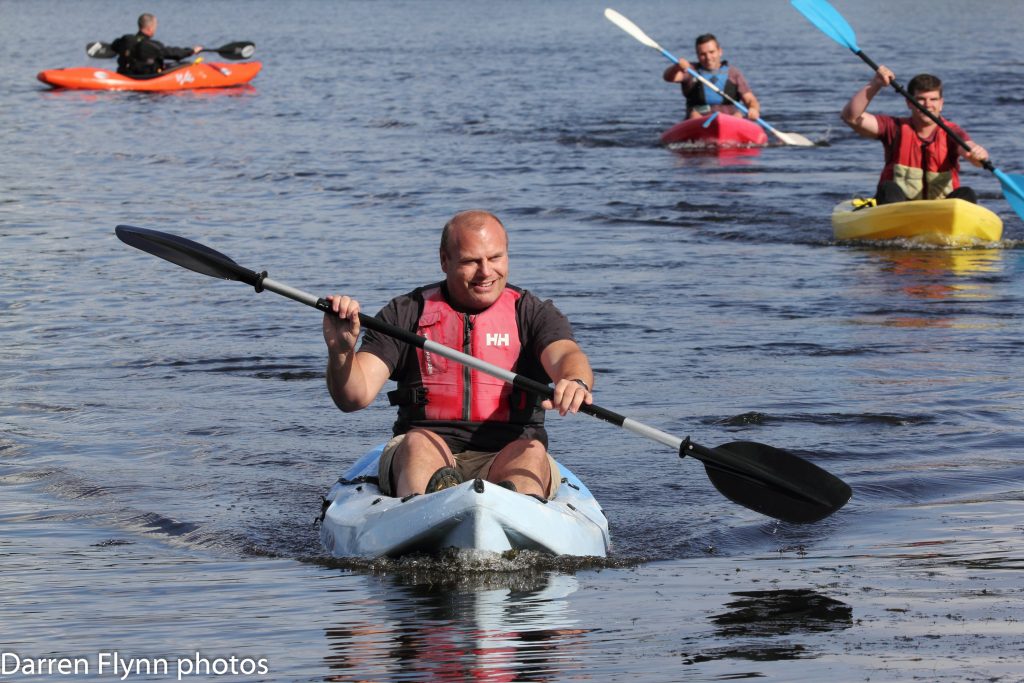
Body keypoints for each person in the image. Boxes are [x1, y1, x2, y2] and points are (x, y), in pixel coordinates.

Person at [322, 210, 594, 500]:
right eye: (471, 261)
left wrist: (575, 380)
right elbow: (353, 397)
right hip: (427, 450)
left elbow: (566, 355)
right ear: (444, 260)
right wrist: (341, 352)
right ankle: (431, 507)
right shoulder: (405, 313)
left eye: (495, 258)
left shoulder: (532, 314)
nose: (486, 272)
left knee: (530, 453)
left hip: (508, 452)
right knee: (417, 444)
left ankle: (512, 512)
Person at [841, 65, 988, 205]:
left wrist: (978, 154)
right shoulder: (894, 128)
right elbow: (851, 117)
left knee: (966, 193)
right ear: (909, 103)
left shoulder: (952, 132)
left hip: (941, 211)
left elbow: (969, 150)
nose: (927, 105)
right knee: (888, 188)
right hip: (899, 209)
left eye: (933, 99)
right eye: (921, 99)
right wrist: (876, 83)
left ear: (941, 103)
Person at [662, 33, 760, 121]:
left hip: (730, 119)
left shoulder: (733, 73)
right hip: (699, 119)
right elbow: (668, 77)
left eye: (711, 52)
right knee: (694, 115)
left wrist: (753, 109)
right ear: (697, 55)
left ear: (720, 51)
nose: (708, 58)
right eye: (703, 54)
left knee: (738, 115)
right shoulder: (690, 70)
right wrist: (676, 67)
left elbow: (750, 99)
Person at [111, 13, 202, 77]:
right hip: (143, 78)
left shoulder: (125, 39)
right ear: (150, 28)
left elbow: (113, 47)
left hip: (124, 75)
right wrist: (191, 51)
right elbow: (172, 53)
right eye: (155, 26)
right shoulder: (152, 45)